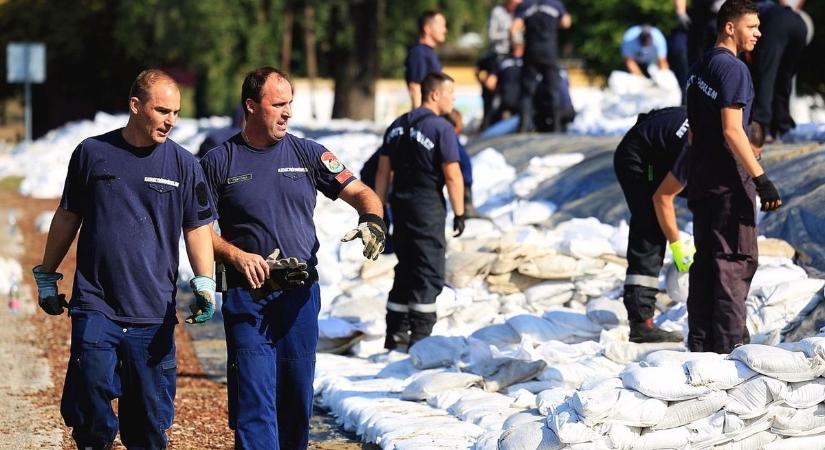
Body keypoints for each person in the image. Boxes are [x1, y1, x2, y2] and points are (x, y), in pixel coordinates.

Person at [199, 66, 385, 450]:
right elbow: (196, 230)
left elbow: (363, 192)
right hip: (247, 298)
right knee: (254, 404)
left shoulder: (309, 154)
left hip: (299, 300)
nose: (287, 113)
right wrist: (233, 254)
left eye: (290, 104)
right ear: (251, 106)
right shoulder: (219, 161)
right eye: (278, 104)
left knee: (296, 404)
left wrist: (372, 220)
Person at [32, 69, 217, 449]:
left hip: (153, 311)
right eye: (163, 110)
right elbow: (68, 216)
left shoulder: (184, 164)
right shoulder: (92, 153)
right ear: (136, 106)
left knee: (148, 427)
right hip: (96, 304)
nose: (172, 121)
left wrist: (205, 282)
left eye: (176, 112)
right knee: (91, 400)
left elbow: (197, 228)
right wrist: (47, 275)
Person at [683, 0, 781, 353]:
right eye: (752, 26)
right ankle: (727, 352)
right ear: (729, 27)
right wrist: (760, 178)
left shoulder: (699, 68)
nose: (758, 33)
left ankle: (701, 347)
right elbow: (732, 130)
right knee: (735, 262)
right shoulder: (733, 69)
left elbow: (694, 132)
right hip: (727, 180)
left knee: (707, 261)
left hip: (702, 178)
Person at [375, 72, 465, 351]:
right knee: (429, 270)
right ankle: (421, 340)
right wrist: (460, 212)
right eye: (450, 93)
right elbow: (452, 174)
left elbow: (382, 172)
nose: (453, 99)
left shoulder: (396, 126)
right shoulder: (441, 128)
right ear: (435, 94)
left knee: (406, 267)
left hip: (400, 206)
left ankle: (395, 335)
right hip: (427, 207)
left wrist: (377, 213)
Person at [613, 106, 692, 343]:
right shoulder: (699, 144)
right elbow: (662, 198)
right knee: (650, 229)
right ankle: (641, 323)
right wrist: (677, 244)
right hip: (640, 158)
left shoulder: (716, 130)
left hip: (659, 153)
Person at [748, 0, 807, 140]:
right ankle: (782, 125)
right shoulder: (769, 6)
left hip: (777, 24)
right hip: (799, 24)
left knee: (766, 76)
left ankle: (762, 128)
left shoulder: (749, 11)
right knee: (785, 77)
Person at [510, 0, 572, 132]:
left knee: (527, 90)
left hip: (531, 50)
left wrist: (518, 43)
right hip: (549, 50)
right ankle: (556, 125)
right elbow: (566, 22)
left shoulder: (525, 5)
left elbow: (514, 28)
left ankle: (523, 125)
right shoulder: (555, 4)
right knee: (552, 89)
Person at [478, 0, 523, 129]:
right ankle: (488, 124)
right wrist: (509, 32)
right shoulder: (498, 12)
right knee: (493, 92)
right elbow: (492, 35)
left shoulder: (520, 13)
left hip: (514, 56)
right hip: (499, 57)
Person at [405, 11, 447, 108]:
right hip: (426, 117)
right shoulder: (419, 52)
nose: (445, 30)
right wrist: (420, 119)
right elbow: (415, 87)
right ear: (427, 28)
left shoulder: (430, 52)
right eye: (441, 26)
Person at [441, 109, 479, 217]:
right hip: (462, 181)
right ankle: (464, 211)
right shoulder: (450, 139)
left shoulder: (451, 139)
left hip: (465, 181)